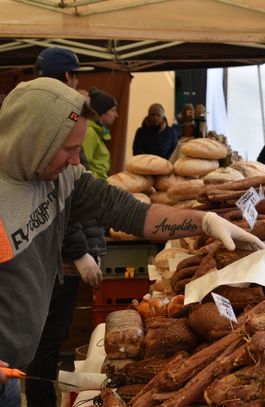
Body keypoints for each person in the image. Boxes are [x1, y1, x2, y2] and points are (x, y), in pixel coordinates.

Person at [0, 77, 265, 406]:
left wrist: (205, 222)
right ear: (33, 142)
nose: (75, 160)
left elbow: (124, 210)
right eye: (68, 149)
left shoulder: (62, 177)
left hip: (10, 374)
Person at [25, 47, 107, 407]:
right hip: (60, 259)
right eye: (74, 75)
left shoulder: (61, 118)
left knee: (48, 339)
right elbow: (59, 198)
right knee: (46, 340)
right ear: (66, 78)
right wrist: (81, 251)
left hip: (65, 255)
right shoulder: (51, 122)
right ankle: (41, 399)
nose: (78, 82)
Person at [82, 87, 118, 179]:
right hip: (93, 188)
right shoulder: (90, 133)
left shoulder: (98, 133)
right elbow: (83, 167)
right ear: (102, 112)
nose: (116, 115)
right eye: (113, 110)